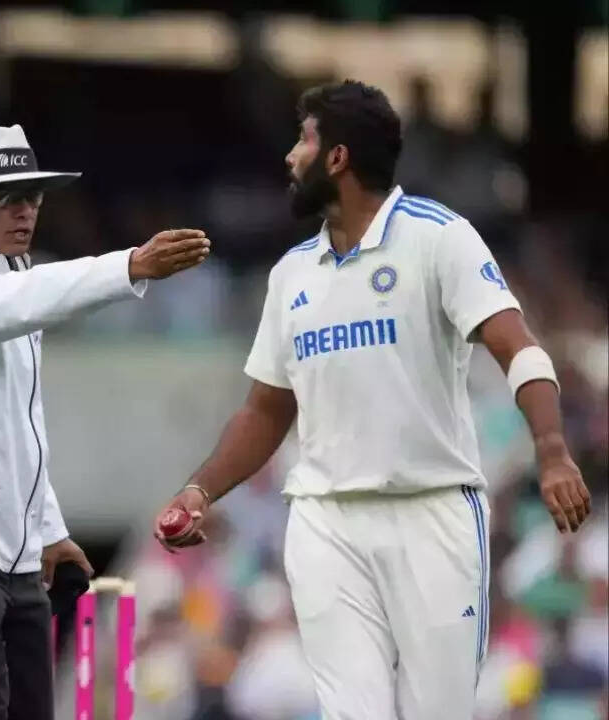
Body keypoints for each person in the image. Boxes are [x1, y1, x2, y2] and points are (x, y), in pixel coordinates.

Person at [153, 80, 592, 719]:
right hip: (325, 522)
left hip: (431, 513)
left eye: (304, 140)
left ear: (337, 157)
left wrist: (551, 450)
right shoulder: (291, 273)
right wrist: (199, 491)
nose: (290, 156)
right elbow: (265, 410)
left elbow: (519, 349)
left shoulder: (440, 238)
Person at [0, 124, 211, 720]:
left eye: (33, 197)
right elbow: (16, 301)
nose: (24, 211)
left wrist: (47, 528)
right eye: (6, 198)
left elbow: (16, 427)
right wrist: (128, 265)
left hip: (11, 554)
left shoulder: (14, 277)